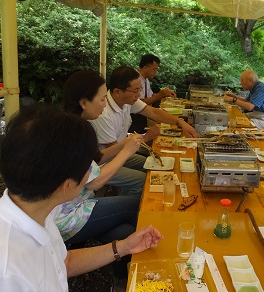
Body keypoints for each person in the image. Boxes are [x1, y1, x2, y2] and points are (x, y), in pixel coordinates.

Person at [0, 104, 163, 292]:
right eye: (89, 167)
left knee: (125, 231)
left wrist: (125, 246)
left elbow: (64, 263)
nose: (92, 172)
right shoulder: (9, 270)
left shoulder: (38, 211)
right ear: (67, 186)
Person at [57, 70, 144, 289]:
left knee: (124, 232)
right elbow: (95, 182)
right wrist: (126, 151)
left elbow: (99, 158)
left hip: (74, 205)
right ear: (83, 102)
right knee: (139, 205)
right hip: (67, 214)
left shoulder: (71, 125)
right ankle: (141, 272)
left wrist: (125, 144)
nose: (105, 104)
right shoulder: (75, 133)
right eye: (102, 98)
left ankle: (120, 281)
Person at [129, 53, 176, 133]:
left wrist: (164, 95)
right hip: (135, 118)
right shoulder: (135, 79)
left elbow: (150, 96)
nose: (156, 72)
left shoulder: (145, 79)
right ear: (145, 67)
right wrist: (159, 95)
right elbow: (139, 102)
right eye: (154, 69)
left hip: (144, 116)